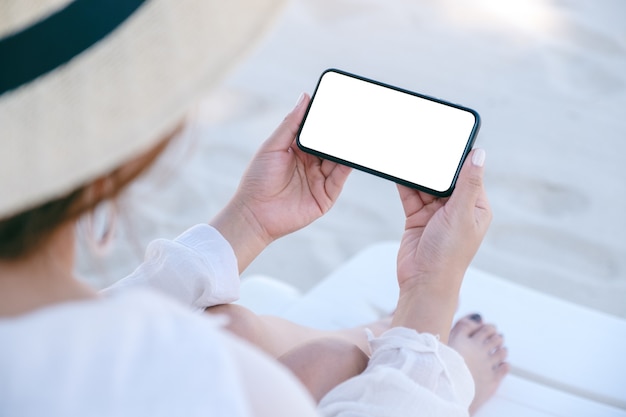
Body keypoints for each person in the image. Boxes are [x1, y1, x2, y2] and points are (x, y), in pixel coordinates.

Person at [0, 1, 508, 416]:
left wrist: (246, 223)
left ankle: (380, 340)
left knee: (242, 328)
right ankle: (434, 374)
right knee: (325, 359)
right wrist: (429, 299)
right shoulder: (191, 372)